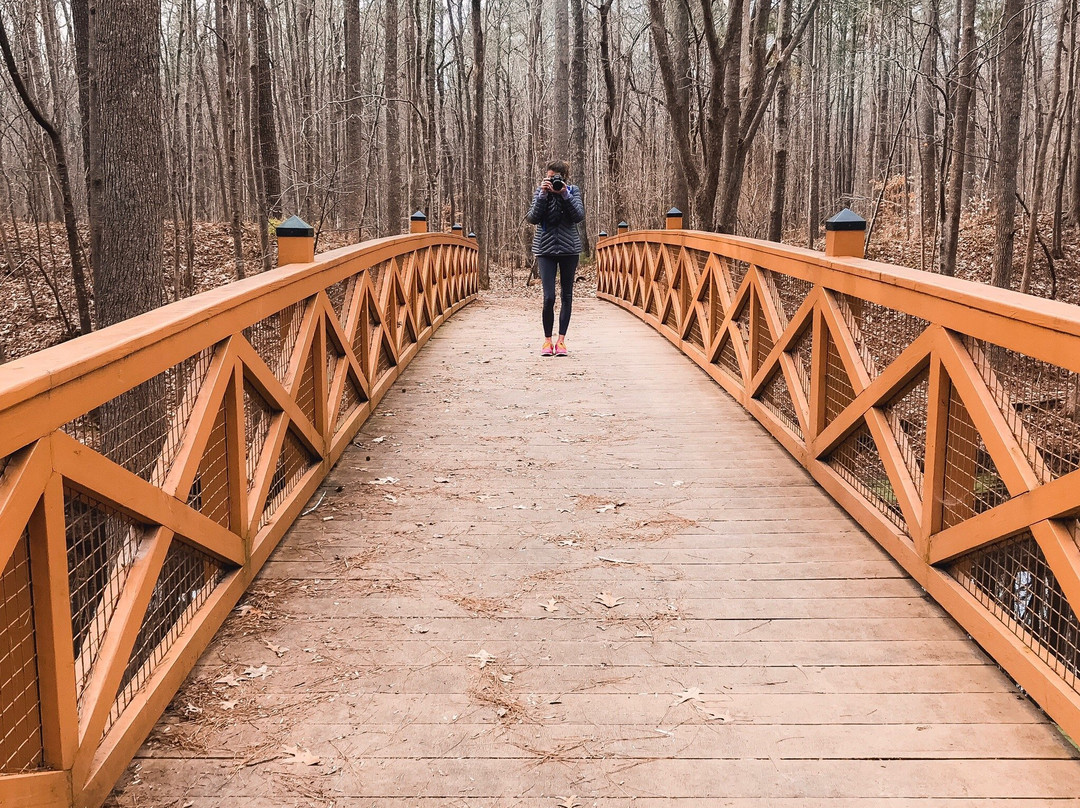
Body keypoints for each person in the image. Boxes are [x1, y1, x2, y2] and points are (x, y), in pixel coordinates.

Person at [526, 160, 585, 356]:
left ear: (563, 177)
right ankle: (546, 341)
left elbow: (578, 216)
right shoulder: (541, 191)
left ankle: (561, 341)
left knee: (567, 295)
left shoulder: (572, 191)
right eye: (549, 177)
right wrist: (543, 194)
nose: (552, 181)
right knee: (549, 297)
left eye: (555, 177)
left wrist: (565, 194)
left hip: (569, 250)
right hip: (545, 249)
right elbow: (533, 218)